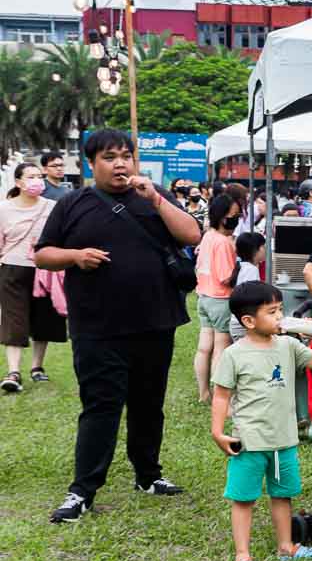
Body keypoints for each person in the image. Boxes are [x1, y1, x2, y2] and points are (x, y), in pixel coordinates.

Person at [36, 129, 202, 524]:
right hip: (97, 325)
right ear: (91, 163)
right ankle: (82, 490)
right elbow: (43, 254)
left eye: (127, 155)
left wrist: (157, 200)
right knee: (101, 406)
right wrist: (75, 256)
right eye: (110, 157)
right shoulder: (73, 204)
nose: (121, 163)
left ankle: (149, 475)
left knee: (149, 404)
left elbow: (192, 234)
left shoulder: (153, 198)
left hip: (155, 320)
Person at [210, 281, 312, 561]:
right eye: (272, 312)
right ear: (249, 321)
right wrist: (218, 432)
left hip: (283, 440)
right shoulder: (234, 354)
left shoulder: (289, 345)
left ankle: (286, 546)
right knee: (244, 498)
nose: (280, 317)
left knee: (282, 495)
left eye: (280, 310)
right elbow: (222, 395)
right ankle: (242, 555)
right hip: (249, 442)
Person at [1, 163, 62, 392]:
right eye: (30, 176)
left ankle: (37, 368)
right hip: (12, 269)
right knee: (14, 320)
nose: (36, 180)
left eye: (39, 176)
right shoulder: (4, 209)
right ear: (18, 182)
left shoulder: (53, 207)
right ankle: (13, 372)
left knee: (44, 319)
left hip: (46, 270)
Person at [193, 193, 241, 404]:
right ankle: (220, 397)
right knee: (220, 348)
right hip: (221, 299)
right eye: (234, 215)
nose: (236, 219)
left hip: (203, 297)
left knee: (204, 348)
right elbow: (226, 277)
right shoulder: (223, 243)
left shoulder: (208, 236)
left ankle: (204, 393)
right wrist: (240, 266)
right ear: (223, 217)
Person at [228, 232, 267, 342]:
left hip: (239, 322)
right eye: (263, 247)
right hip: (243, 325)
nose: (265, 250)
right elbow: (250, 297)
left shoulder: (243, 266)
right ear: (256, 250)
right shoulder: (251, 270)